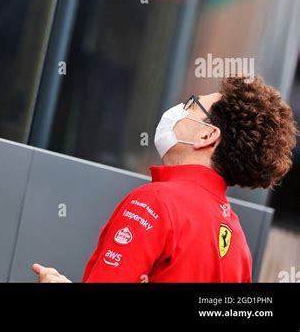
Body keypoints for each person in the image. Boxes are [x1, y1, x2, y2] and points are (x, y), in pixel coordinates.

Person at [33, 75, 298, 283]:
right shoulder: (238, 244)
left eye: (193, 104)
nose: (181, 108)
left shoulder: (156, 202)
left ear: (208, 136)